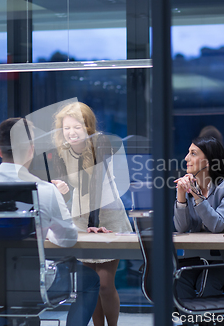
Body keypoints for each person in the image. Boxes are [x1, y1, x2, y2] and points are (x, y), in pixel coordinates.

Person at [0, 117, 100, 326]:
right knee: (91, 280)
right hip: (33, 282)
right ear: (31, 149)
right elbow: (67, 239)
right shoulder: (46, 190)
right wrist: (47, 226)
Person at [51, 102, 132, 326]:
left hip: (106, 215)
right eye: (66, 128)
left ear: (87, 127)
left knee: (105, 284)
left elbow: (95, 186)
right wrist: (58, 188)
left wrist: (93, 224)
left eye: (76, 127)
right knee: (89, 285)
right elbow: (63, 184)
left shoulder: (100, 142)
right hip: (79, 217)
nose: (71, 133)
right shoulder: (62, 149)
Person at [174, 136, 224, 299]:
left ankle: (209, 323)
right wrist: (181, 195)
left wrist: (197, 196)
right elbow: (181, 228)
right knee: (178, 281)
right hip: (197, 257)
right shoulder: (191, 185)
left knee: (207, 283)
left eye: (193, 153)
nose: (186, 158)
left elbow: (217, 225)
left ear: (209, 161)